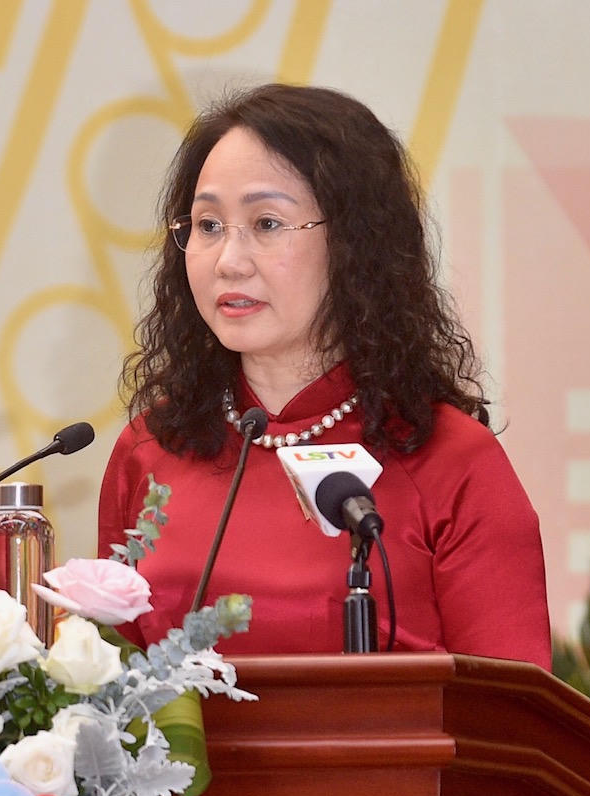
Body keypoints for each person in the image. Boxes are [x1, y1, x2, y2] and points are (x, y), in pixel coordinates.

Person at [97, 84, 551, 670]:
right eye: (208, 225)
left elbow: (512, 711)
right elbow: (103, 683)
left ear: (356, 243)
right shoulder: (151, 449)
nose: (228, 261)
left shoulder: (453, 460)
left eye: (266, 223)